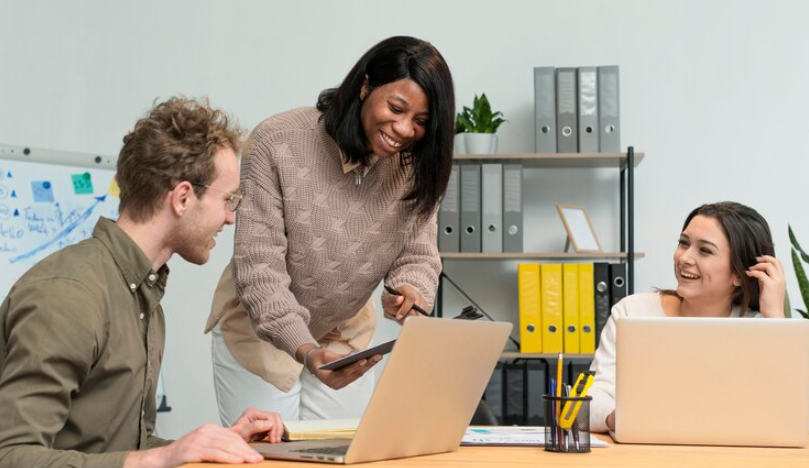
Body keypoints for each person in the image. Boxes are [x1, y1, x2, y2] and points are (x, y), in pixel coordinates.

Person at [0, 97, 284, 468]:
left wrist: (210, 444)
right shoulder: (69, 296)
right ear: (183, 197)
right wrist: (165, 458)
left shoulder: (142, 297)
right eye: (229, 199)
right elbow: (11, 456)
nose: (231, 219)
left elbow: (122, 446)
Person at [205, 35, 455, 424]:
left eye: (421, 122)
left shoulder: (413, 166)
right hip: (261, 330)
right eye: (396, 108)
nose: (404, 129)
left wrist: (410, 290)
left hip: (346, 336)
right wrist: (304, 348)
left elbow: (418, 252)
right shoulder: (278, 140)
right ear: (365, 85)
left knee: (342, 455)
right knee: (272, 458)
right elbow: (259, 270)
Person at [588, 201, 786, 433]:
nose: (684, 258)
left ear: (740, 275)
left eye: (705, 250)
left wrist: (775, 317)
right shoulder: (632, 312)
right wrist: (617, 418)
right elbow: (593, 399)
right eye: (684, 243)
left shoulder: (761, 328)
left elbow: (788, 408)